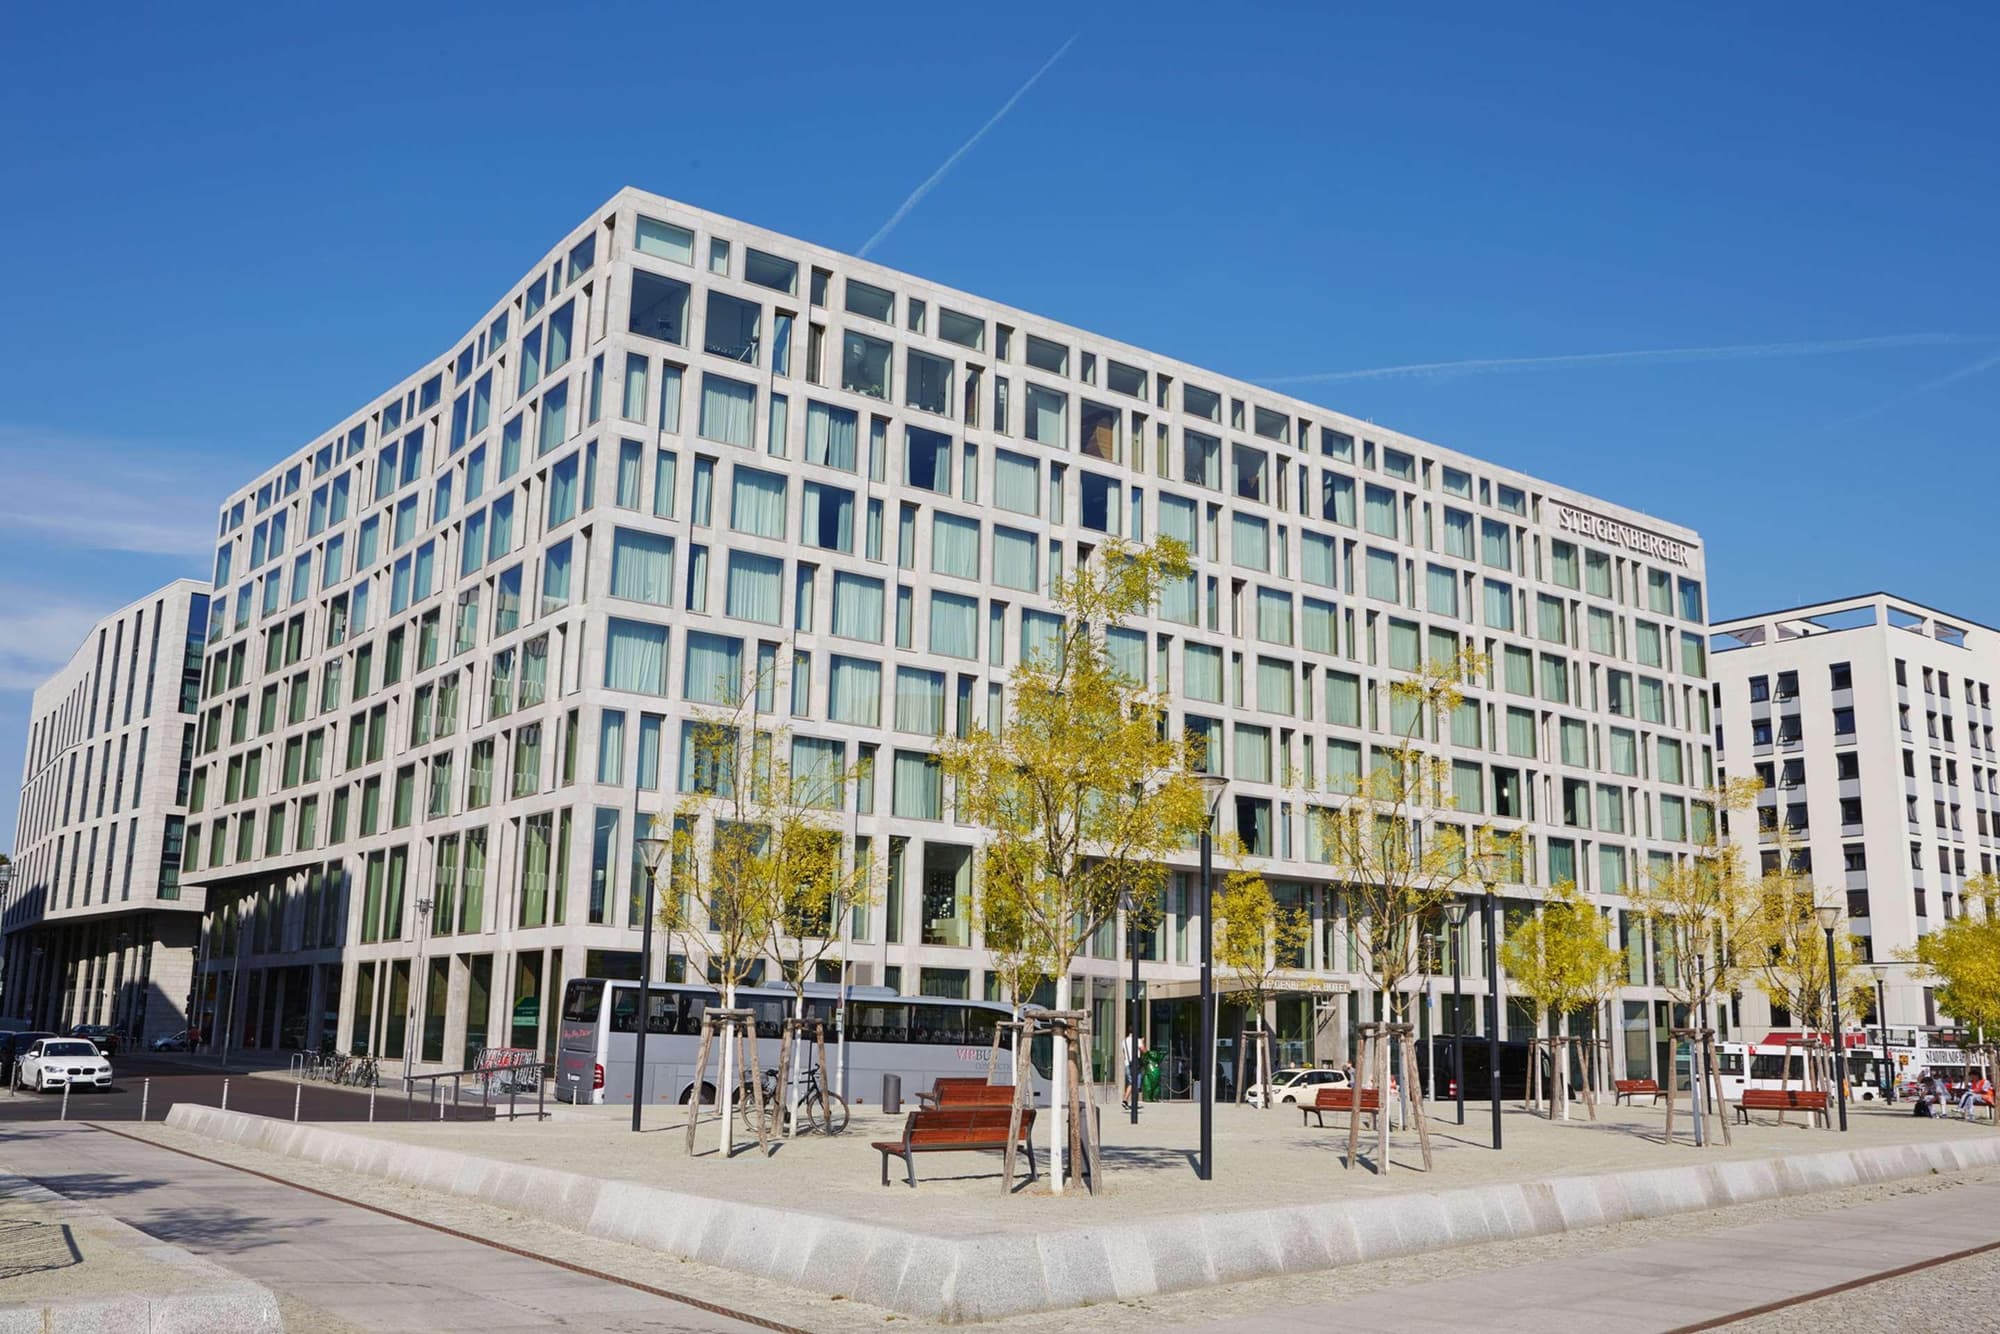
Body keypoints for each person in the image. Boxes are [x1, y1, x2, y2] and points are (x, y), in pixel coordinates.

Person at [1122, 1031, 1146, 1111]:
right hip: (1135, 1064)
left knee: (1131, 1083)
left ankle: (1125, 1100)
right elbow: (1144, 1050)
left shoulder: (1124, 1041)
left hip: (1127, 1064)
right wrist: (1142, 1042)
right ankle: (1131, 1101)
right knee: (1135, 1083)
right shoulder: (1137, 1040)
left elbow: (1124, 1053)